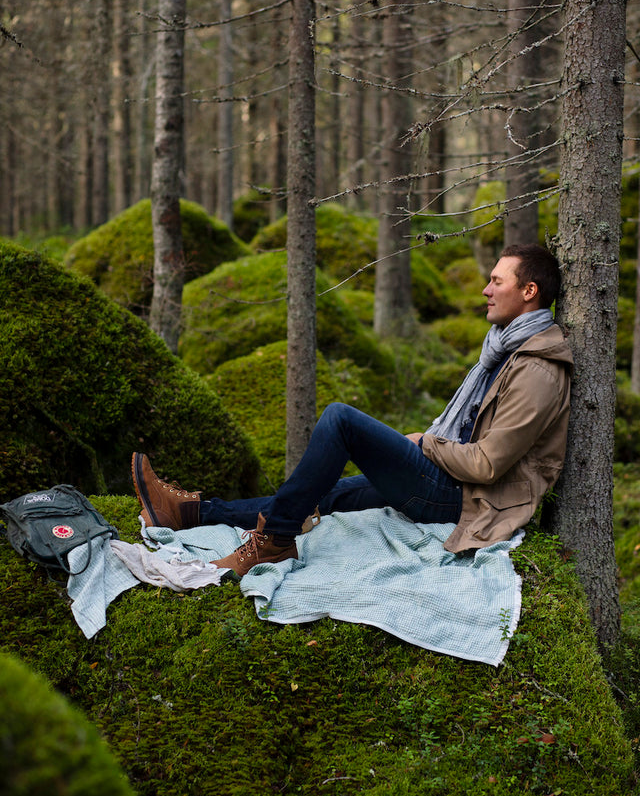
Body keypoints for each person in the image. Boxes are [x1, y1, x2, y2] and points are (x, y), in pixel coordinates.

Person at [131, 243, 573, 576]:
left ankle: (273, 541)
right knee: (326, 497)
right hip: (450, 481)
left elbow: (490, 463)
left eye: (498, 281)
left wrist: (426, 444)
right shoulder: (505, 350)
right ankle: (193, 513)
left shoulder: (538, 372)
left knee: (340, 419)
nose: (486, 289)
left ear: (529, 291)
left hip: (467, 499)